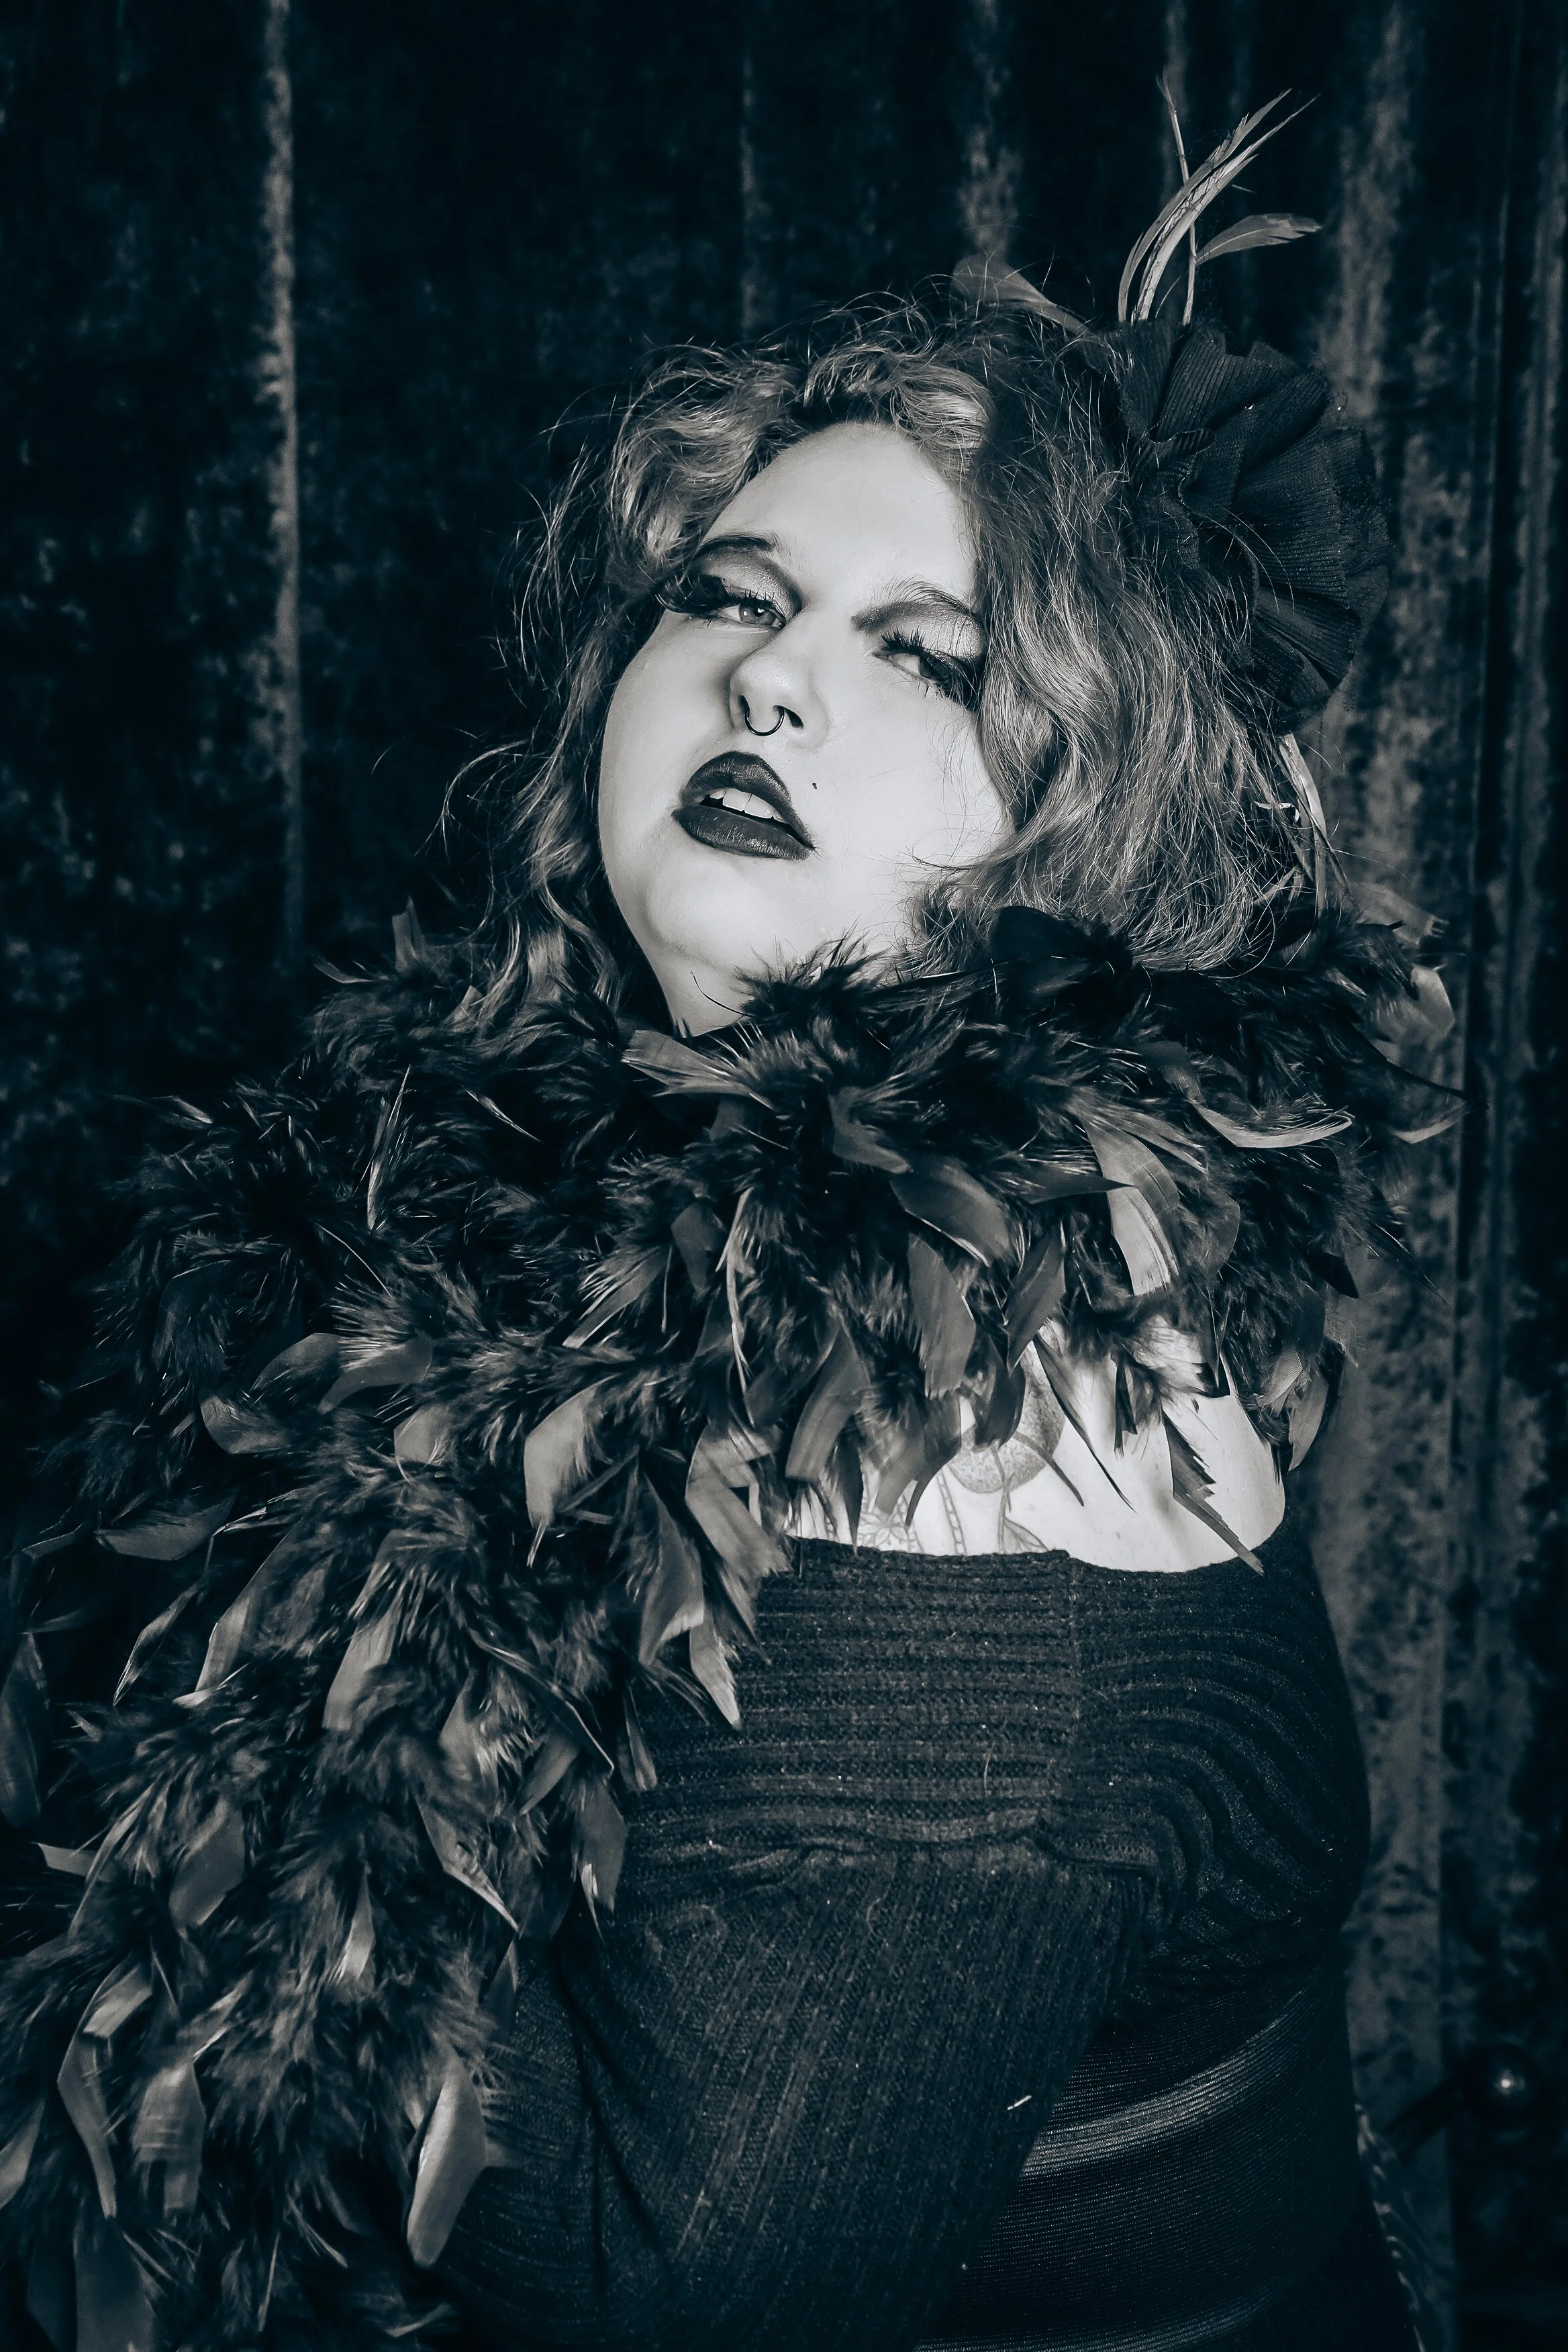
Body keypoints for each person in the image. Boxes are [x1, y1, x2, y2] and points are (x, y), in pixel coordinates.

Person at [0, 111, 1451, 2352]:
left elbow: (655, 2291)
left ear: (1113, 830)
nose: (769, 681)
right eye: (733, 598)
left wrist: (239, 1746)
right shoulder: (545, 1166)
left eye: (934, 656)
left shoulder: (989, 1500)